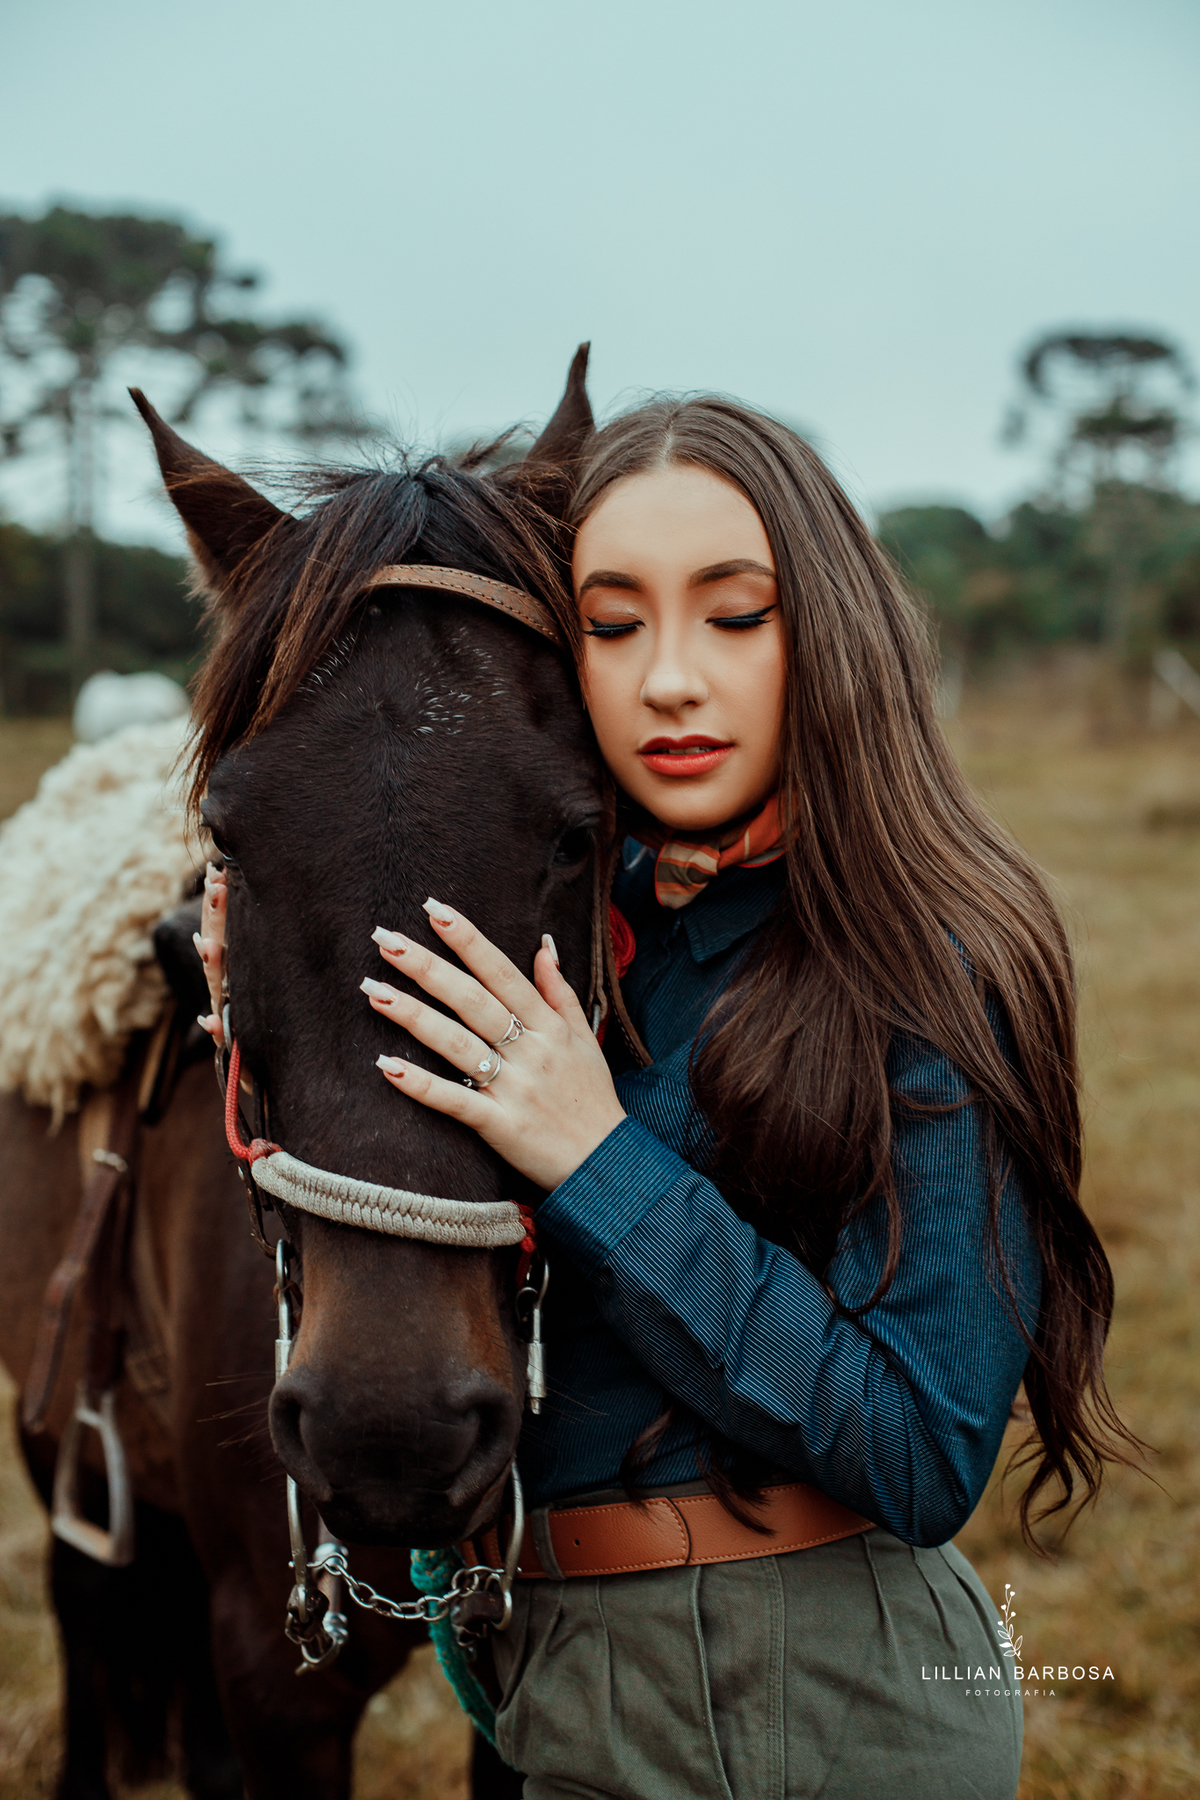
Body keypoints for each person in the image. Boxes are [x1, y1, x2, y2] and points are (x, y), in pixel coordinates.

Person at [202, 397, 1127, 1798]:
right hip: (564, 1690)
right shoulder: (590, 932)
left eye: (734, 617)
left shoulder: (931, 965)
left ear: (831, 633)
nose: (669, 681)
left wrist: (598, 1160)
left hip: (804, 1712)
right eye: (614, 625)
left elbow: (929, 1451)